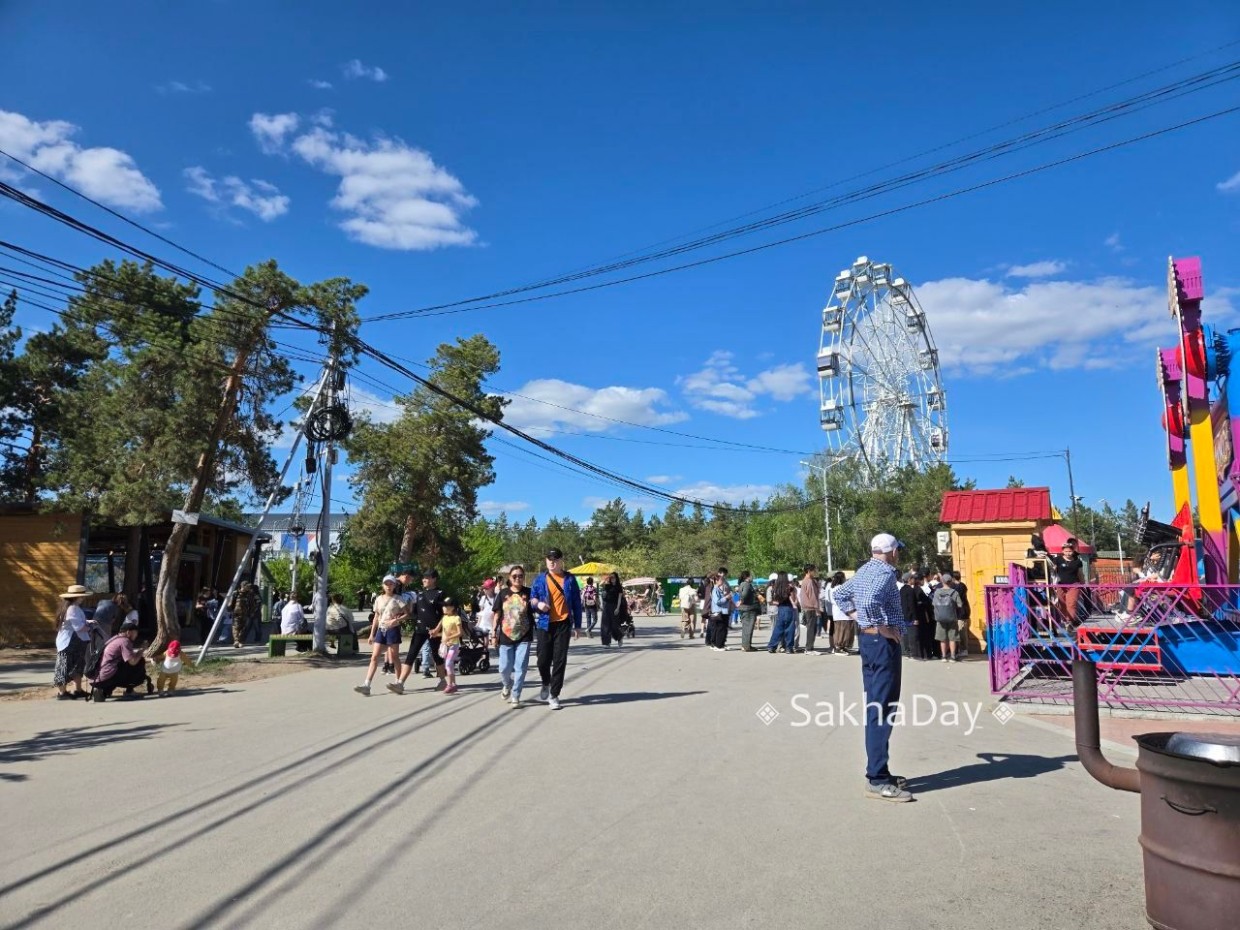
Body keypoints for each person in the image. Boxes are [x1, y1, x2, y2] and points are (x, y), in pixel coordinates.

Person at [832, 533, 913, 802]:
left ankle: (880, 770)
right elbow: (868, 602)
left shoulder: (865, 569)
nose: (898, 554)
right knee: (882, 708)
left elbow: (840, 594)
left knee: (876, 705)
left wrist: (860, 621)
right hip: (881, 642)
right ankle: (877, 778)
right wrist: (882, 627)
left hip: (868, 641)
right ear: (891, 551)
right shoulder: (886, 572)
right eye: (897, 549)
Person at [529, 548, 582, 710]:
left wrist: (578, 626)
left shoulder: (570, 580)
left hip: (563, 624)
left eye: (555, 559)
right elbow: (532, 599)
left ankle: (554, 694)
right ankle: (546, 682)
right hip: (545, 624)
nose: (552, 562)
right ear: (546, 561)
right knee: (542, 660)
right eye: (549, 559)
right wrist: (538, 604)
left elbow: (576, 604)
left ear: (561, 561)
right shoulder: (540, 579)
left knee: (559, 660)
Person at [355, 576, 409, 696]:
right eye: (386, 584)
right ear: (383, 586)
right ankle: (367, 685)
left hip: (392, 630)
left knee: (394, 657)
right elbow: (376, 616)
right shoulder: (378, 599)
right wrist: (371, 634)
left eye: (391, 584)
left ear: (395, 585)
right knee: (374, 657)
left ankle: (398, 683)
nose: (388, 586)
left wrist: (397, 620)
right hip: (381, 630)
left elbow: (407, 614)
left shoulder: (398, 599)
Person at [493, 564, 535, 706]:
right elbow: (497, 614)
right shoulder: (503, 593)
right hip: (506, 635)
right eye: (514, 576)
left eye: (520, 576)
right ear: (509, 578)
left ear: (524, 577)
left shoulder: (530, 592)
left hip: (524, 635)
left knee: (521, 668)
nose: (518, 578)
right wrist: (494, 633)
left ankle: (516, 695)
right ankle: (507, 684)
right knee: (504, 668)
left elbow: (537, 607)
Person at [90, 616, 152, 702]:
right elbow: (132, 662)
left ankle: (104, 691)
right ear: (129, 632)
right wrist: (141, 650)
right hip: (110, 674)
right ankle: (129, 691)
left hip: (100, 676)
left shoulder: (114, 639)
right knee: (139, 662)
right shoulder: (125, 641)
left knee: (123, 663)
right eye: (135, 633)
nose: (136, 635)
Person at [53, 584, 94, 700]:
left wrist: (88, 622)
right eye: (82, 596)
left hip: (75, 641)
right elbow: (79, 627)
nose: (83, 598)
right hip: (70, 642)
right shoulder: (73, 609)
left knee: (77, 665)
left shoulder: (71, 607)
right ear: (77, 597)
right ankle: (63, 693)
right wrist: (90, 627)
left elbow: (79, 622)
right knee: (64, 666)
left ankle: (77, 690)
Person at [430, 597, 467, 695]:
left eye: (446, 606)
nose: (443, 608)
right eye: (443, 606)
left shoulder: (456, 618)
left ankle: (450, 685)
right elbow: (437, 630)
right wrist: (433, 633)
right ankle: (454, 684)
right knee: (448, 664)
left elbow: (460, 633)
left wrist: (449, 637)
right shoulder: (444, 618)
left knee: (448, 664)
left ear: (452, 607)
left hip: (453, 645)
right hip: (445, 646)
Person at [1048, 539, 1085, 630]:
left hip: (1074, 585)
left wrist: (1083, 583)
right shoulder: (1058, 560)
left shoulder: (1077, 561)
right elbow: (1053, 571)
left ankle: (1070, 622)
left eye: (1070, 551)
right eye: (1066, 551)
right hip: (1060, 585)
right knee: (1061, 604)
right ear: (1062, 551)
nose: (1068, 553)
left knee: (1071, 603)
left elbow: (1080, 573)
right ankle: (1065, 620)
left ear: (1073, 551)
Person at [932, 574, 965, 662]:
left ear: (942, 581)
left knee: (942, 638)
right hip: (952, 617)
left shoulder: (937, 592)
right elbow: (960, 604)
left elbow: (933, 604)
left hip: (940, 618)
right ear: (951, 582)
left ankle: (943, 656)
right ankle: (953, 656)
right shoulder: (954, 592)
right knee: (952, 638)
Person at [766, 572, 798, 654]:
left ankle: (772, 646)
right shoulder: (789, 588)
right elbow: (793, 598)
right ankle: (788, 647)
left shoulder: (775, 587)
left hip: (780, 608)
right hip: (788, 607)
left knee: (778, 628)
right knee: (790, 628)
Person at [826, 572, 855, 655]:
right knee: (842, 631)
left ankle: (843, 647)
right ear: (842, 578)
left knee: (845, 630)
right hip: (842, 612)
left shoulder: (833, 588)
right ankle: (839, 647)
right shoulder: (839, 588)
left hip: (841, 612)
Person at [799, 565, 824, 655]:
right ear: (809, 571)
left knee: (811, 628)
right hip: (810, 607)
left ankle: (810, 648)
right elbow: (812, 596)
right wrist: (817, 608)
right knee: (811, 628)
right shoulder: (809, 581)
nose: (815, 572)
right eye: (814, 570)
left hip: (807, 607)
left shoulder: (806, 581)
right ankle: (809, 648)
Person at [706, 568, 732, 651]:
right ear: (716, 581)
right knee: (720, 629)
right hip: (719, 611)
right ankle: (718, 645)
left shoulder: (719, 589)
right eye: (720, 580)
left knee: (723, 629)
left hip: (724, 611)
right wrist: (726, 598)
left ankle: (721, 644)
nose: (722, 581)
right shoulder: (715, 589)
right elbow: (717, 601)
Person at [599, 571, 626, 647]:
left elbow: (619, 598)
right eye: (611, 577)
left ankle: (619, 637)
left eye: (613, 577)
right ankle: (606, 642)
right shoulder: (608, 585)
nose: (612, 579)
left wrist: (617, 608)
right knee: (605, 624)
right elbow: (600, 584)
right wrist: (606, 578)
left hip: (614, 606)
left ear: (616, 578)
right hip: (606, 605)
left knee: (615, 625)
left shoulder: (619, 587)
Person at [736, 571, 761, 651]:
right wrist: (741, 601)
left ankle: (746, 645)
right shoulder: (746, 584)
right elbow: (745, 594)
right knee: (748, 628)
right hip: (748, 609)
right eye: (751, 576)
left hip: (746, 609)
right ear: (747, 577)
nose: (752, 577)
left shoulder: (742, 584)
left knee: (746, 628)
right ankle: (746, 646)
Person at [899, 572, 920, 660]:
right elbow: (912, 605)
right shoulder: (910, 591)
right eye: (912, 578)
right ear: (909, 580)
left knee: (905, 635)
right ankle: (913, 653)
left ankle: (906, 652)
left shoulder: (901, 590)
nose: (913, 580)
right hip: (910, 616)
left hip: (903, 615)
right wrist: (915, 618)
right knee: (913, 635)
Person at [234, 582, 262, 646]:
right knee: (247, 627)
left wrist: (253, 612)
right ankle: (242, 640)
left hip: (255, 615)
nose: (249, 589)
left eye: (250, 588)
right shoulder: (249, 595)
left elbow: (257, 605)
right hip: (250, 614)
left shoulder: (255, 596)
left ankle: (257, 640)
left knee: (255, 627)